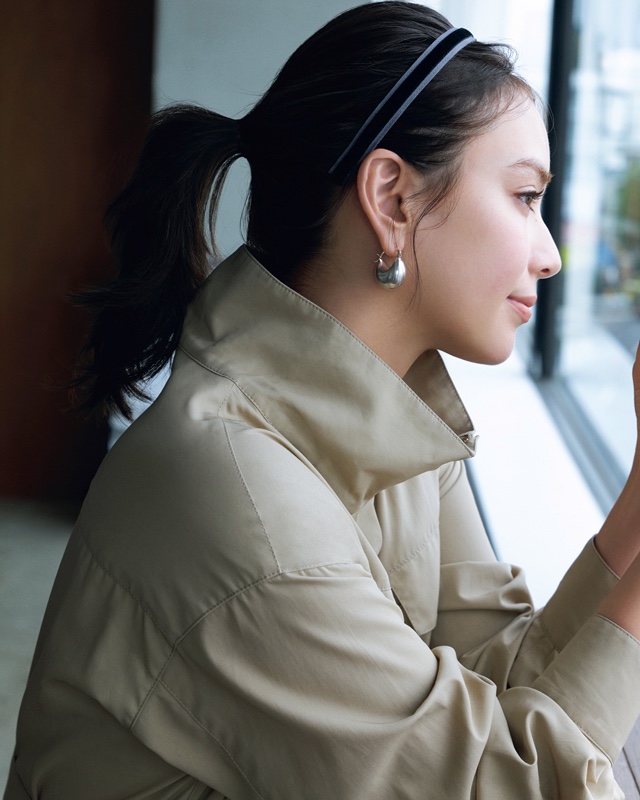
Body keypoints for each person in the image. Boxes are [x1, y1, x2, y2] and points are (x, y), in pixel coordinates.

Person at [5, 2, 640, 798]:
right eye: (523, 197)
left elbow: (501, 688)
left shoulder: (393, 412)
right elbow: (506, 785)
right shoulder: (242, 502)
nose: (548, 255)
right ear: (393, 199)